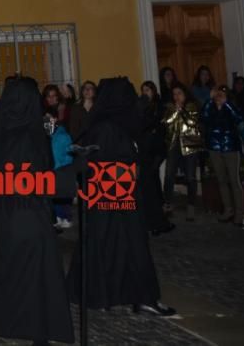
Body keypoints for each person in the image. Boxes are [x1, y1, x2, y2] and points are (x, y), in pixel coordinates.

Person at [66, 77, 176, 316]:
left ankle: (115, 294)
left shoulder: (110, 123)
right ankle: (137, 296)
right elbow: (108, 162)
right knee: (127, 245)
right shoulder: (109, 126)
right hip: (115, 192)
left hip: (112, 195)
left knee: (113, 244)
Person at [0, 77, 75, 346]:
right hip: (28, 211)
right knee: (36, 270)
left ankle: (13, 320)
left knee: (15, 266)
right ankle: (36, 325)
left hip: (9, 211)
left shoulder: (6, 131)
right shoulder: (28, 134)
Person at [201, 86, 244, 228]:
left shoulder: (230, 107)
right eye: (216, 93)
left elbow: (238, 118)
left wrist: (226, 103)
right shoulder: (210, 107)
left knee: (234, 180)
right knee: (221, 180)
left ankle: (239, 215)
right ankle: (228, 210)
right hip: (214, 147)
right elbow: (203, 117)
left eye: (221, 93)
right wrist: (210, 101)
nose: (218, 95)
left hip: (230, 147)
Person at [163, 83, 203, 221]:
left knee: (190, 177)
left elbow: (192, 122)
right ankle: (168, 204)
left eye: (179, 93)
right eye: (174, 94)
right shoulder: (170, 108)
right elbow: (166, 123)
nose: (176, 96)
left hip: (189, 145)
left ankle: (191, 206)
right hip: (174, 145)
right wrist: (175, 111)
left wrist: (183, 111)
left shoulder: (192, 106)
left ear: (185, 94)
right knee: (169, 175)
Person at [138, 81, 173, 235]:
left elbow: (159, 124)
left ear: (153, 91)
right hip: (146, 147)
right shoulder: (142, 106)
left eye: (147, 90)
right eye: (143, 90)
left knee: (152, 175)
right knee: (151, 177)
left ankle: (159, 205)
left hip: (157, 146)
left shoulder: (159, 106)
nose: (145, 92)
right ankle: (158, 207)